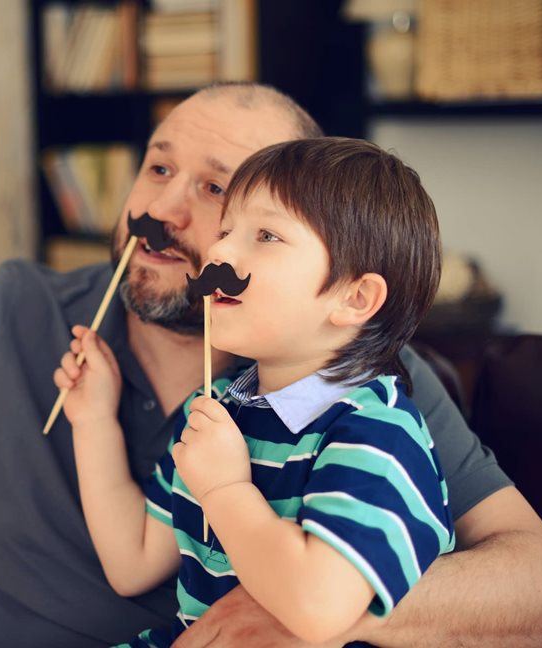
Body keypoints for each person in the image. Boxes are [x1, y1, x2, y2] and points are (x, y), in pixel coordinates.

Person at [0, 55, 542, 647]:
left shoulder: (360, 376)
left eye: (220, 193)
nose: (163, 209)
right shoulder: (15, 311)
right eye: (156, 167)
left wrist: (334, 607)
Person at [55, 137, 454, 646]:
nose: (218, 250)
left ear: (355, 298)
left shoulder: (378, 434)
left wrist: (226, 491)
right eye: (226, 231)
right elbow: (131, 563)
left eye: (266, 235)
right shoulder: (215, 410)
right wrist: (92, 422)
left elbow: (318, 611)